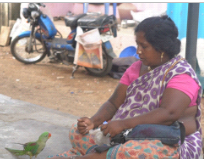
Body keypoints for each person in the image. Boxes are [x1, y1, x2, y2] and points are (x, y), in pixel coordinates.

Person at [47, 15, 202, 159]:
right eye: (137, 45)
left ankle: (99, 155)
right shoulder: (137, 68)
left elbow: (169, 113)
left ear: (161, 48)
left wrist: (123, 124)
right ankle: (106, 154)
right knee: (78, 131)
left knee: (140, 151)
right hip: (126, 135)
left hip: (170, 142)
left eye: (144, 46)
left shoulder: (181, 74)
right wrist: (93, 122)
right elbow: (113, 103)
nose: (138, 51)